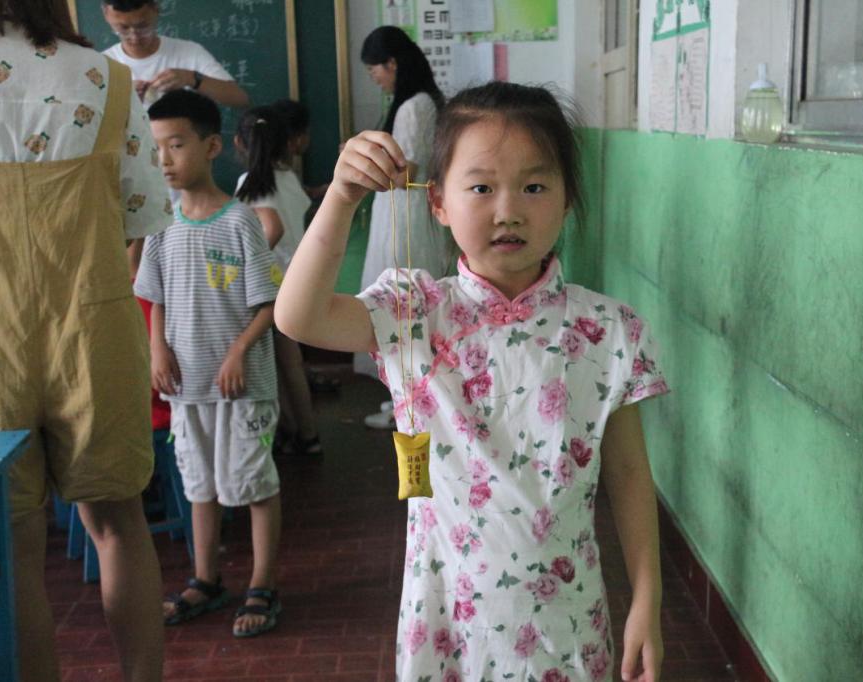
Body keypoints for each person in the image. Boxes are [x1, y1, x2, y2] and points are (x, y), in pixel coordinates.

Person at [277, 82, 667, 681]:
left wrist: (648, 600)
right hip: (446, 623)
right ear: (437, 202)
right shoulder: (414, 313)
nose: (508, 210)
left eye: (534, 186)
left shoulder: (608, 330)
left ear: (567, 199)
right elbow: (298, 317)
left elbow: (631, 476)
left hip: (565, 623)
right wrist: (341, 196)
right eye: (481, 187)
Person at [0, 1, 170, 679]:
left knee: (15, 548)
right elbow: (140, 212)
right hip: (93, 325)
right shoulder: (107, 78)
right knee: (118, 524)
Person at [134, 90, 283, 638]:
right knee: (199, 484)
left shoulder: (240, 222)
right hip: (187, 385)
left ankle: (262, 584)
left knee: (253, 483)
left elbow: (269, 304)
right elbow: (155, 298)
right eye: (156, 148)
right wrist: (157, 348)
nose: (165, 159)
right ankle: (206, 579)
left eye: (176, 145)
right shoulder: (161, 223)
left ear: (212, 147)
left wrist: (239, 351)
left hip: (242, 388)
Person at [355, 26, 453, 425]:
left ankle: (411, 408)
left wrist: (364, 163)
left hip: (405, 217)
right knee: (404, 308)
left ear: (392, 63)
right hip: (405, 213)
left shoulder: (414, 106)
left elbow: (407, 172)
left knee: (401, 307)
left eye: (374, 69)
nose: (374, 77)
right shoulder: (424, 101)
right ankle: (405, 400)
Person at [234, 105, 322, 457]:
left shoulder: (250, 184)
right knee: (291, 363)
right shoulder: (287, 178)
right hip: (298, 279)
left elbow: (273, 228)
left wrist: (248, 266)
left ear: (239, 143)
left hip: (271, 284)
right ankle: (305, 433)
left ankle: (294, 430)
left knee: (279, 364)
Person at [101, 0, 249, 110]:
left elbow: (239, 99)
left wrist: (191, 78)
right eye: (123, 28)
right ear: (106, 15)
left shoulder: (189, 52)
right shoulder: (101, 64)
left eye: (143, 26)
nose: (134, 36)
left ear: (156, 10)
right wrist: (120, 98)